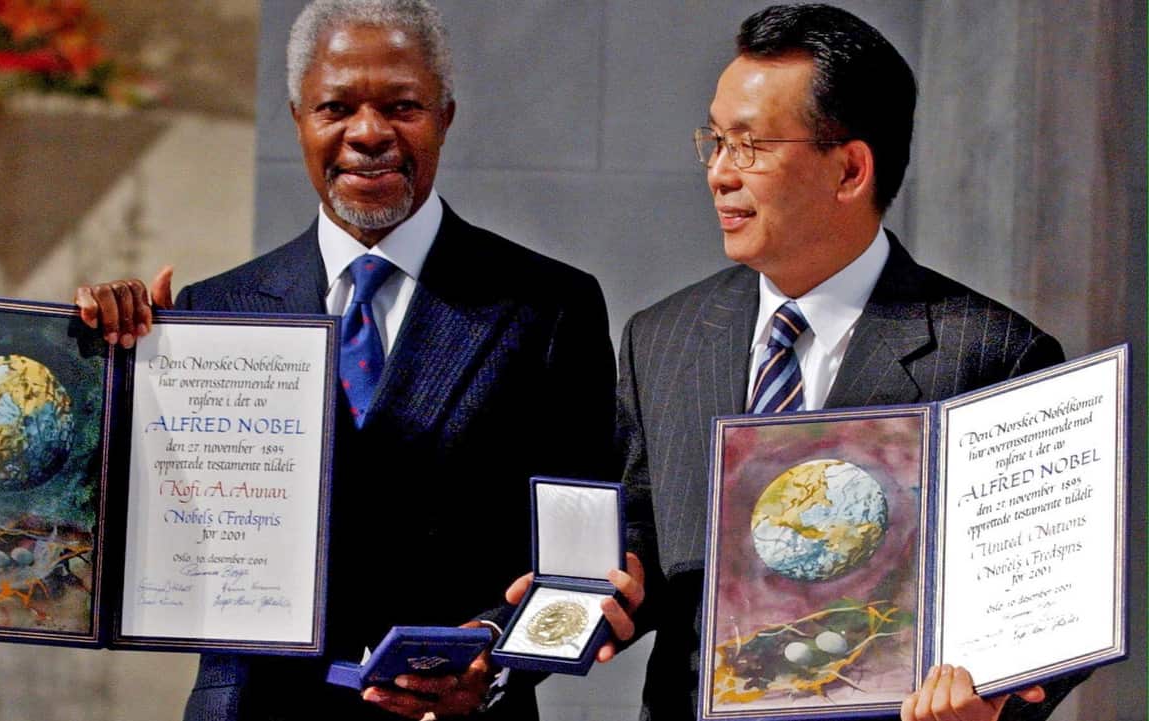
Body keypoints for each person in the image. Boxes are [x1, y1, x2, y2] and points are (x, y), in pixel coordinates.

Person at [76, 1, 615, 719]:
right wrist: (104, 369)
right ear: (297, 117)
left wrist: (491, 658)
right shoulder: (212, 315)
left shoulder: (548, 307)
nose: (368, 134)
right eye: (336, 107)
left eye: (402, 106)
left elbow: (580, 562)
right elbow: (124, 531)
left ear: (446, 117)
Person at [599, 4, 1085, 721]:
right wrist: (613, 590)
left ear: (851, 168)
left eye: (751, 145)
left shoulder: (993, 355)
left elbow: (1043, 603)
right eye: (715, 140)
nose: (719, 173)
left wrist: (993, 706)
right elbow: (642, 531)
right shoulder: (662, 338)